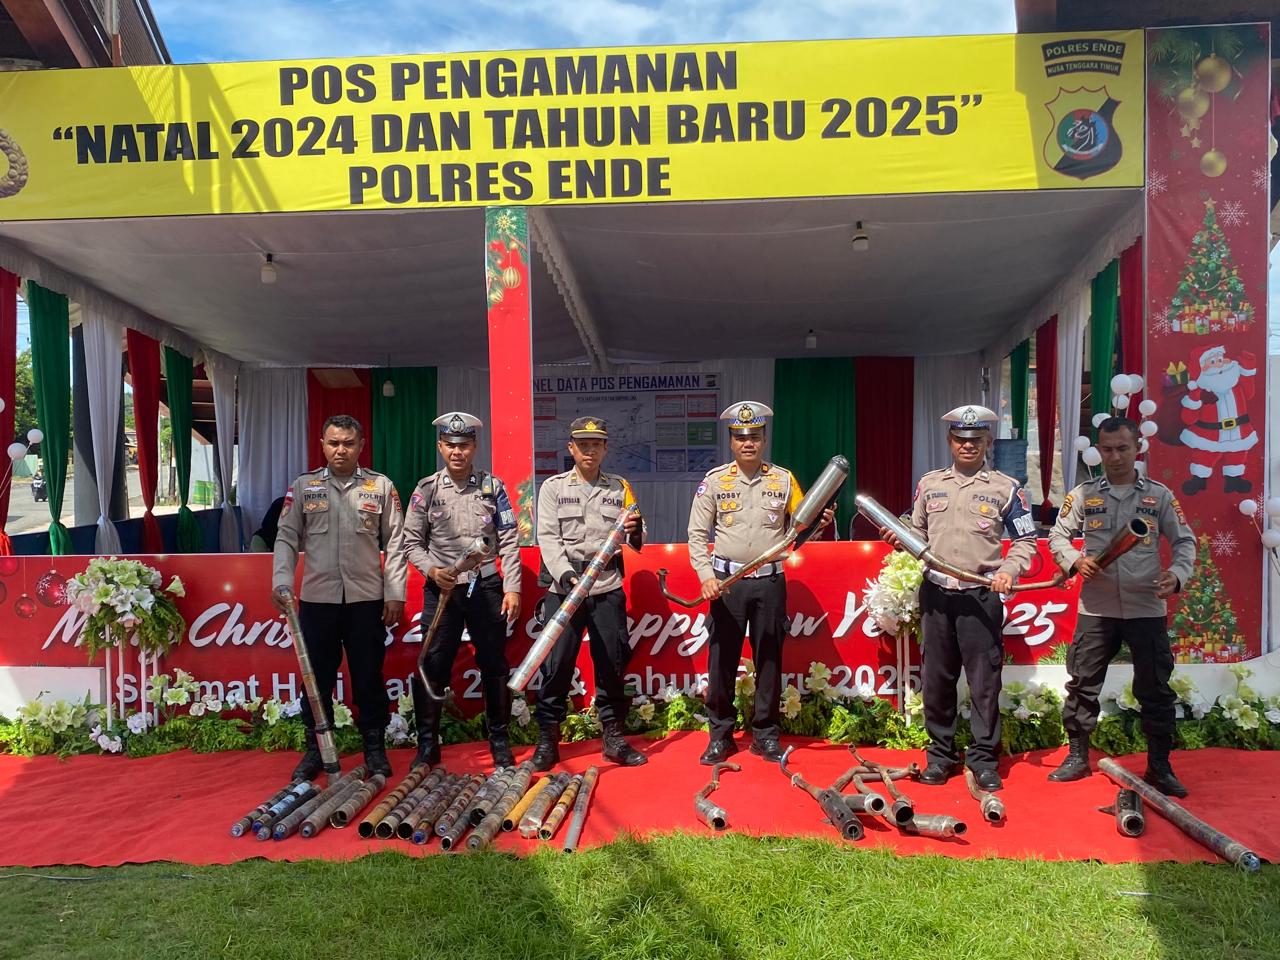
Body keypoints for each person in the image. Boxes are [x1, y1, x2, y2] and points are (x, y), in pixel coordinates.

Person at [1047, 416, 1196, 795]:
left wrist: (1177, 575)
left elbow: (1185, 541)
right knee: (1082, 684)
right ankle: (1077, 757)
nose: (1114, 457)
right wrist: (1074, 561)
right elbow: (1058, 535)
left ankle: (1159, 766)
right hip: (1096, 609)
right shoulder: (1083, 494)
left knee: (1155, 688)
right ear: (1099, 450)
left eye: (1122, 449)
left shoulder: (1159, 496)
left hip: (1146, 606)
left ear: (1138, 448)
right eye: (1108, 449)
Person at [892, 404, 1036, 791]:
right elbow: (917, 532)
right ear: (950, 441)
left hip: (980, 596)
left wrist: (1009, 570)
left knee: (984, 682)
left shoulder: (1007, 488)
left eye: (975, 439)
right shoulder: (929, 484)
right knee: (937, 679)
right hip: (937, 595)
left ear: (988, 441)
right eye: (960, 439)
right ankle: (940, 757)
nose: (967, 445)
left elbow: (1025, 539)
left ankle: (984, 759)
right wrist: (900, 537)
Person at [687, 401, 830, 766]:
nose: (747, 443)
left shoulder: (783, 480)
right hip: (727, 583)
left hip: (770, 582)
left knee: (769, 659)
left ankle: (765, 735)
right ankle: (720, 736)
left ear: (765, 440)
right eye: (740, 437)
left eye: (754, 436)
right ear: (731, 441)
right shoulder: (714, 481)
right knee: (722, 660)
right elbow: (696, 534)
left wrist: (819, 523)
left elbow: (801, 528)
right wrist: (705, 576)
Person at [272, 414, 406, 780]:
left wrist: (395, 592)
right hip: (318, 601)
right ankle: (317, 750)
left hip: (366, 601)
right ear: (322, 445)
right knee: (316, 680)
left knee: (368, 678)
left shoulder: (380, 486)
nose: (341, 450)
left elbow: (396, 543)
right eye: (334, 443)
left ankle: (374, 750)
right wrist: (281, 581)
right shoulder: (304, 487)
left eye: (348, 443)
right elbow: (286, 537)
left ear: (361, 446)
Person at [402, 412, 522, 769]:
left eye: (464, 445)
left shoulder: (492, 487)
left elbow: (509, 539)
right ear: (441, 446)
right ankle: (428, 744)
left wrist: (513, 587)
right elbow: (411, 542)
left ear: (474, 446)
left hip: (486, 586)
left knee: (494, 663)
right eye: (450, 445)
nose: (457, 452)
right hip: (443, 588)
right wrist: (432, 570)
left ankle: (499, 740)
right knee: (433, 663)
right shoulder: (427, 489)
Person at [532, 416, 646, 771]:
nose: (589, 451)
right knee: (557, 666)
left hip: (606, 586)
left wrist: (636, 529)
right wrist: (567, 576)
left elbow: (638, 539)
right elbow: (547, 538)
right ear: (571, 448)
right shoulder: (553, 488)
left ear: (605, 449)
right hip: (565, 587)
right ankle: (548, 740)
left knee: (612, 662)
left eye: (596, 444)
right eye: (583, 444)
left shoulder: (620, 487)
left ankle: (613, 737)